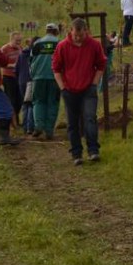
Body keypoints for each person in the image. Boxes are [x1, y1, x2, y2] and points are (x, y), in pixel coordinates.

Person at [53, 17, 107, 166]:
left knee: (90, 118)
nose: (78, 38)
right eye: (75, 35)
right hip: (69, 90)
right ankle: (76, 153)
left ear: (86, 31)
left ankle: (93, 150)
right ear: (71, 31)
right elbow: (56, 69)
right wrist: (62, 88)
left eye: (81, 35)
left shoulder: (94, 45)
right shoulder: (62, 46)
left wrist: (94, 83)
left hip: (88, 89)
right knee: (72, 123)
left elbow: (101, 64)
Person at [30, 23, 63, 140]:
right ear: (56, 31)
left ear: (46, 31)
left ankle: (39, 125)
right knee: (53, 103)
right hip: (55, 78)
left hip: (38, 78)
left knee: (38, 102)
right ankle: (49, 131)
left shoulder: (37, 43)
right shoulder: (60, 43)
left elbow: (31, 60)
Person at [0, 31, 24, 126]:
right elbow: (1, 63)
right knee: (11, 100)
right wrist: (13, 65)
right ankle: (13, 121)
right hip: (8, 77)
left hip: (19, 77)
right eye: (17, 40)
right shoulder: (4, 49)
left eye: (20, 40)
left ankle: (15, 118)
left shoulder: (20, 48)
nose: (18, 42)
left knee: (20, 100)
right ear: (11, 39)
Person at [17, 37, 36, 136]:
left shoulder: (21, 54)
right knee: (31, 103)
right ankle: (30, 127)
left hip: (21, 81)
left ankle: (25, 126)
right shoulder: (34, 55)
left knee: (25, 104)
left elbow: (16, 69)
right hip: (30, 80)